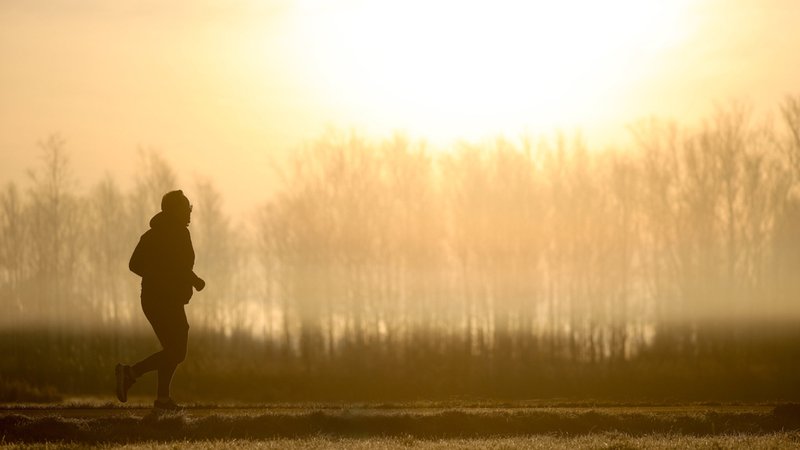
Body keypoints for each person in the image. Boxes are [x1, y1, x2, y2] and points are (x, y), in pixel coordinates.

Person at [116, 190, 205, 410]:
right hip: (161, 300)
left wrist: (188, 279)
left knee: (172, 350)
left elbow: (142, 265)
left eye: (189, 207)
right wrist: (188, 280)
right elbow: (169, 266)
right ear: (174, 211)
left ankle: (162, 399)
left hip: (162, 299)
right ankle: (130, 373)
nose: (189, 212)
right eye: (185, 208)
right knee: (176, 351)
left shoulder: (157, 234)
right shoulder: (171, 234)